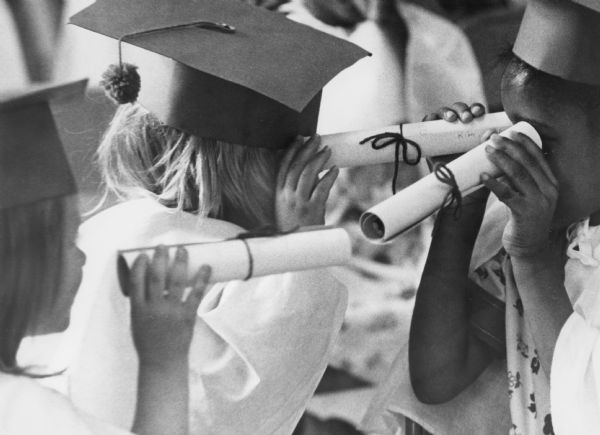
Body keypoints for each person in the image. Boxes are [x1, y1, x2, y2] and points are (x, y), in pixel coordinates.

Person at [64, 1, 367, 434]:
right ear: (262, 170)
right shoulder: (221, 258)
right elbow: (235, 400)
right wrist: (300, 244)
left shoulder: (111, 226)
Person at [409, 0, 600, 433]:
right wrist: (462, 206)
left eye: (539, 141)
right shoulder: (537, 226)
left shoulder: (534, 241)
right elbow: (438, 377)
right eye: (510, 128)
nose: (508, 156)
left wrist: (533, 261)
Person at [0, 80, 211, 435]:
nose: (82, 256)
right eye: (69, 240)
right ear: (23, 263)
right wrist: (163, 360)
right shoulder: (28, 413)